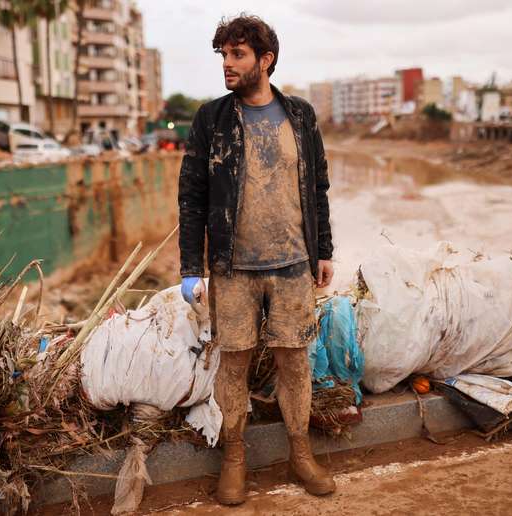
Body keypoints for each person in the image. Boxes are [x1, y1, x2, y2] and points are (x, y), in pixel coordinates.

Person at [177, 14, 336, 506]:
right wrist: (189, 268)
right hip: (233, 267)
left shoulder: (301, 116)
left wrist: (324, 250)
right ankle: (234, 459)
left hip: (292, 266)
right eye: (223, 54)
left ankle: (300, 453)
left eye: (237, 54)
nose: (227, 64)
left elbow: (318, 188)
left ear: (265, 60)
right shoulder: (211, 119)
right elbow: (192, 196)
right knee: (234, 364)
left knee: (295, 362)